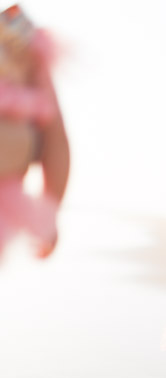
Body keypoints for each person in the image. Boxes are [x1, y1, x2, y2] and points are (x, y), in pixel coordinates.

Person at [0, 4, 69, 258]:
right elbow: (57, 140)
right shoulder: (15, 28)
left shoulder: (14, 29)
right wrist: (47, 217)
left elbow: (56, 139)